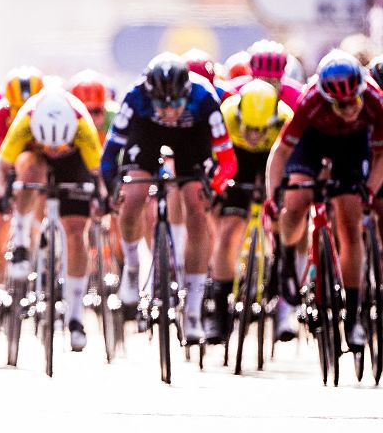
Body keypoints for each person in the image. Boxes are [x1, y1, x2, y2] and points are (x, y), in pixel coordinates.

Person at [100, 52, 236, 344]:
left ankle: (195, 310)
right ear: (150, 94)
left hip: (191, 139)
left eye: (174, 102)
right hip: (146, 134)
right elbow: (110, 154)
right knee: (133, 195)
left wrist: (213, 186)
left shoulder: (204, 98)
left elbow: (227, 161)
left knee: (196, 208)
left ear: (185, 93)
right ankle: (133, 267)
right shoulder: (135, 96)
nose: (168, 109)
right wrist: (114, 187)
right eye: (161, 103)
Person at [266, 50, 383, 351]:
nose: (348, 109)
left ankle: (354, 317)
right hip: (313, 143)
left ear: (361, 92)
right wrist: (274, 196)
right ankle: (290, 259)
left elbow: (381, 155)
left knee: (349, 220)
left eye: (353, 102)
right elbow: (281, 152)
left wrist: (369, 190)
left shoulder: (375, 100)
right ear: (327, 97)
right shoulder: (310, 101)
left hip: (353, 147)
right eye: (340, 104)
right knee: (295, 201)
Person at [0, 87, 103, 351]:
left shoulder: (82, 124)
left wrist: (100, 199)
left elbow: (98, 175)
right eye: (48, 145)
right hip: (32, 163)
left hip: (74, 165)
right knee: (30, 165)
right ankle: (22, 239)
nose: (53, 150)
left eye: (58, 146)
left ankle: (74, 317)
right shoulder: (25, 120)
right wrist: (3, 197)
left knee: (76, 231)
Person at [205, 79, 292, 344]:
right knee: (230, 230)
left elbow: (289, 161)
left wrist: (278, 193)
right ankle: (219, 314)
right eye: (249, 128)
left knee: (286, 219)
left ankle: (281, 288)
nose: (253, 135)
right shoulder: (227, 115)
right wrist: (217, 187)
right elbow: (212, 158)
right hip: (236, 159)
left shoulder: (286, 119)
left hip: (273, 157)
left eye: (259, 129)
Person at [0, 66, 43, 308]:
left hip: (37, 171)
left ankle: (44, 262)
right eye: (16, 111)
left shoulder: (49, 113)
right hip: (3, 169)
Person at [229, 40, 303, 109]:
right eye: (262, 82)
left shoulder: (297, 96)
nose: (267, 88)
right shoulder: (233, 91)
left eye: (273, 82)